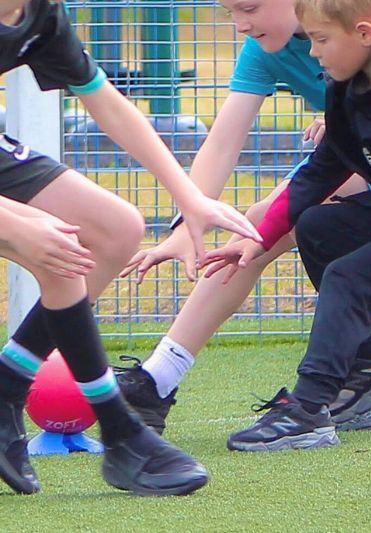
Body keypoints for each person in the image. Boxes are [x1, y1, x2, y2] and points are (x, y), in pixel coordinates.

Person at [115, 0, 371, 436]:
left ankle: (159, 379)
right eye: (230, 14)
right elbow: (222, 143)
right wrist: (188, 226)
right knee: (291, 228)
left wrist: (361, 115)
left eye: (250, 8)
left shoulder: (366, 17)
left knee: (263, 221)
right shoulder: (265, 47)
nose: (240, 25)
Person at [0, 0, 264, 495]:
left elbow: (105, 101)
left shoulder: (38, 11)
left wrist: (191, 197)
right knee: (44, 236)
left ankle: (20, 392)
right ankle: (119, 429)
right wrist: (13, 227)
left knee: (113, 229)